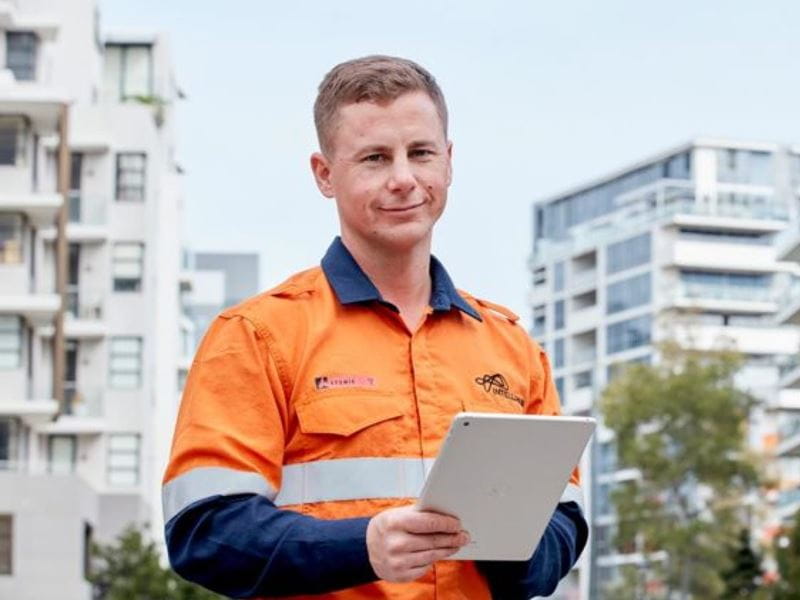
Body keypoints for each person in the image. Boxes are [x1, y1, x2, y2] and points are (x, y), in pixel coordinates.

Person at [162, 55, 588, 599]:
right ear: (324, 174)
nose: (404, 179)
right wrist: (361, 546)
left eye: (421, 153)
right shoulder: (256, 336)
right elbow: (204, 532)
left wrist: (512, 549)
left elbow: (566, 522)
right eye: (375, 158)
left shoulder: (511, 347)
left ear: (449, 162)